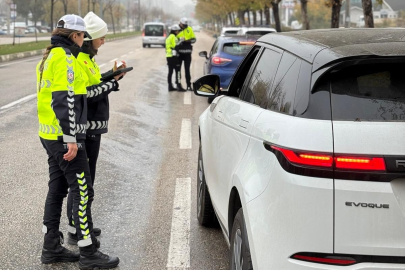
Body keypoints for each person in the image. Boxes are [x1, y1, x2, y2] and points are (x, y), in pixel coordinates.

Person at [36, 14, 119, 269]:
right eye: (83, 35)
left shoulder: (49, 56)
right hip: (63, 137)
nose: (85, 40)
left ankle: (51, 247)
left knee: (58, 189)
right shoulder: (65, 59)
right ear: (75, 36)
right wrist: (72, 139)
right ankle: (88, 252)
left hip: (49, 134)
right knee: (83, 191)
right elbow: (65, 100)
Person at [66, 11, 125, 247]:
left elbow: (93, 83)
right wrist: (111, 83)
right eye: (101, 38)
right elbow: (87, 95)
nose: (104, 41)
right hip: (86, 130)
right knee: (83, 183)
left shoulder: (88, 60)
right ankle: (78, 229)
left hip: (93, 129)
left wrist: (111, 77)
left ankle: (80, 225)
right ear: (90, 39)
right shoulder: (79, 60)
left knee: (87, 181)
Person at [176, 17, 196, 91]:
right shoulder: (176, 30)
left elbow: (194, 39)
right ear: (180, 23)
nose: (184, 26)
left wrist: (187, 40)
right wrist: (180, 40)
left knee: (187, 70)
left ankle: (188, 85)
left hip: (187, 53)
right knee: (178, 70)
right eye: (183, 25)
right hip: (179, 54)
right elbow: (172, 40)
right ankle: (178, 85)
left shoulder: (189, 29)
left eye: (185, 25)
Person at [166, 24, 185, 92]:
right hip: (174, 57)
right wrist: (181, 40)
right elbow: (176, 46)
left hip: (168, 56)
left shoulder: (168, 37)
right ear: (175, 31)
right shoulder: (174, 37)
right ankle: (179, 86)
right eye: (177, 31)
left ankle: (170, 86)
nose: (178, 32)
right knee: (178, 71)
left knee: (170, 72)